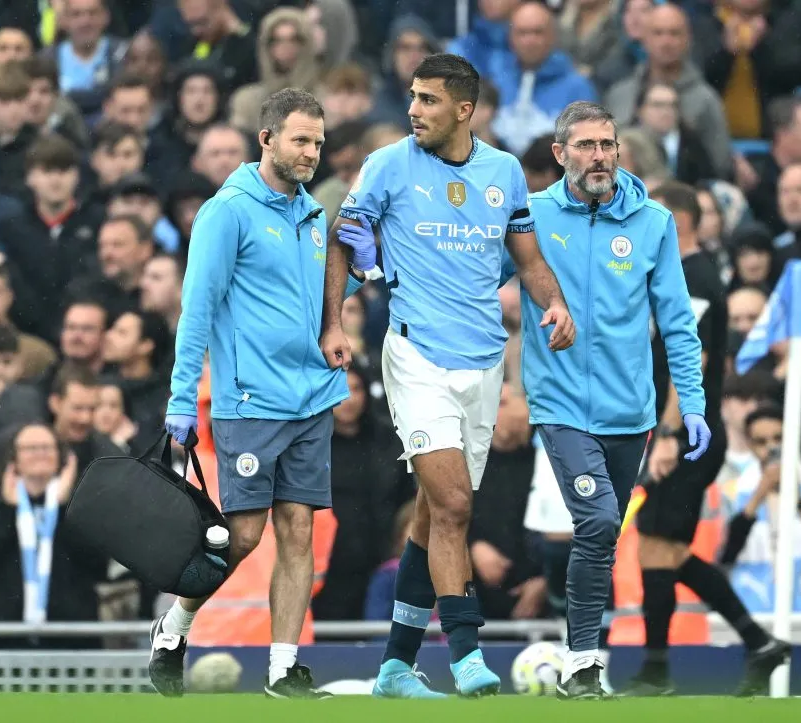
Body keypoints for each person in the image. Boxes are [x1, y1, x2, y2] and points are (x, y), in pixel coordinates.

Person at [321, 53, 574, 698]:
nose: (414, 110)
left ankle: (395, 667)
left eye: (429, 100)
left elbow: (527, 255)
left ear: (465, 109)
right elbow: (344, 239)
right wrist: (334, 322)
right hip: (415, 357)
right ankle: (466, 653)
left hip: (485, 360)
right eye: (412, 97)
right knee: (457, 505)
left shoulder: (503, 173)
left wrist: (555, 303)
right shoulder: (386, 165)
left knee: (435, 514)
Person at [156, 88, 372, 699]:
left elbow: (306, 303)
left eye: (319, 143)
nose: (311, 153)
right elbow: (196, 310)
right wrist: (179, 399)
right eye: (300, 140)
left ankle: (283, 669)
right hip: (251, 401)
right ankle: (174, 626)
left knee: (299, 531)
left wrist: (356, 277)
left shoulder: (310, 213)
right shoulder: (227, 212)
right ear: (267, 139)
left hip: (312, 397)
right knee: (244, 537)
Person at [502, 102, 709, 698]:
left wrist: (690, 404)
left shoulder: (654, 222)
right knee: (594, 522)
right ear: (560, 154)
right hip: (561, 405)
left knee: (602, 536)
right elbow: (476, 279)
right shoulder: (532, 217)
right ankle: (583, 663)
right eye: (587, 145)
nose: (600, 156)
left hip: (632, 413)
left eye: (608, 144)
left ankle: (585, 666)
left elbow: (676, 321)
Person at [628, 180, 790, 696]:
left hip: (689, 432)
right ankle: (756, 643)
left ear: (678, 220)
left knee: (658, 546)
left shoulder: (694, 278)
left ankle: (658, 671)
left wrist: (672, 431)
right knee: (661, 550)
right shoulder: (682, 273)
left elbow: (689, 360)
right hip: (685, 429)